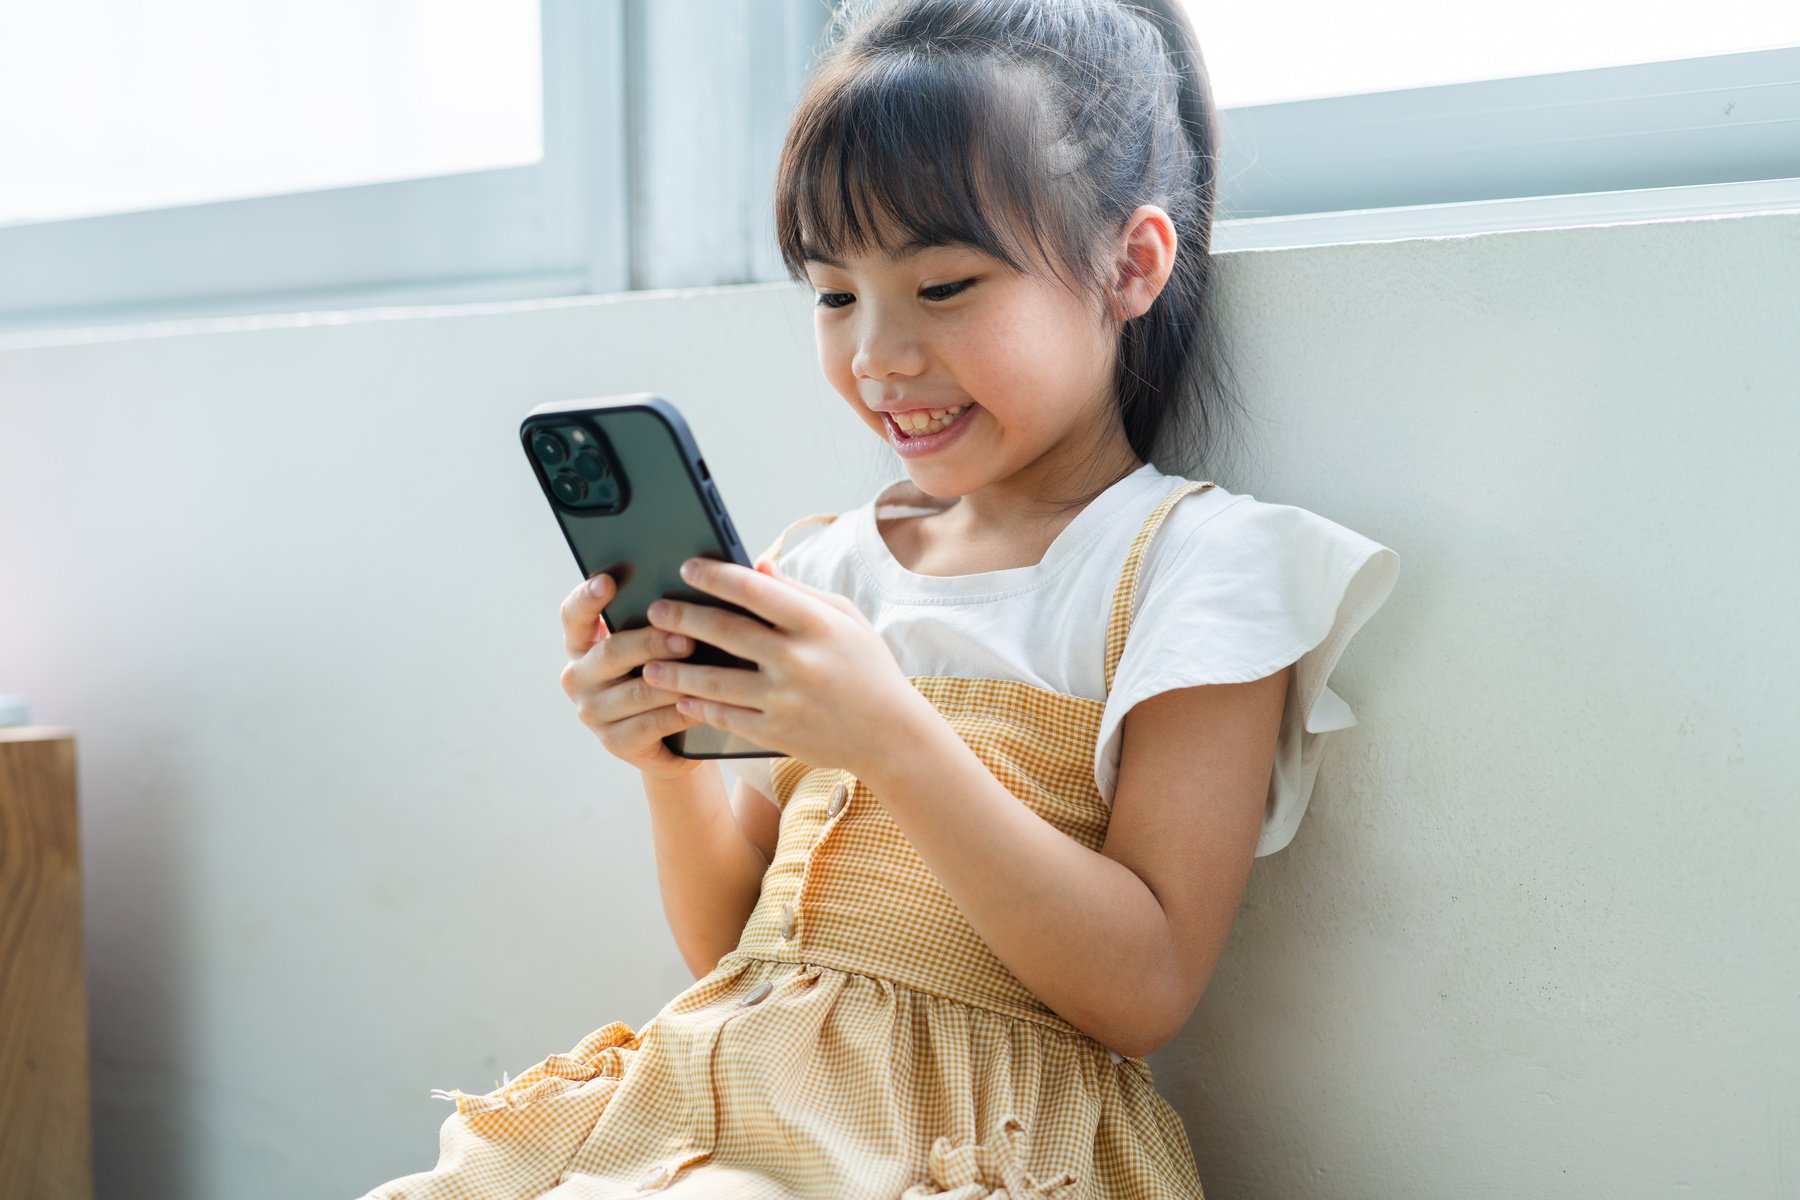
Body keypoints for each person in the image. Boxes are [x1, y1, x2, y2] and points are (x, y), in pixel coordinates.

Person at [360, 0, 1400, 1196]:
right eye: (833, 294)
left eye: (944, 285)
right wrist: (666, 759)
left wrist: (894, 736)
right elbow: (741, 947)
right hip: (735, 1094)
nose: (878, 357)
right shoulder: (827, 568)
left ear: (1132, 265)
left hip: (967, 1140)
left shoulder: (1197, 569)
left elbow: (1144, 989)